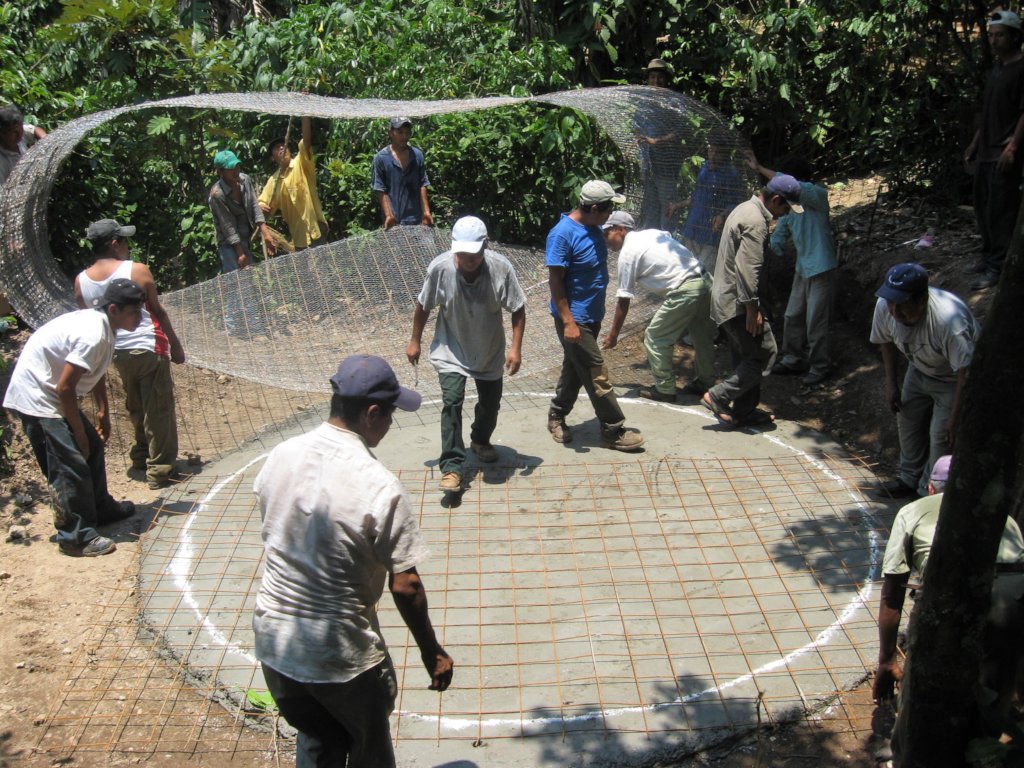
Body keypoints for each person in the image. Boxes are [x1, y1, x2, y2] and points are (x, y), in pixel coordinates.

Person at [252, 355, 453, 767]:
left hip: (275, 643)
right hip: (338, 655)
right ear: (372, 414)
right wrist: (431, 652)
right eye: (391, 413)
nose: (392, 422)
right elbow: (406, 585)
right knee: (368, 750)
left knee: (316, 738)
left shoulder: (282, 454)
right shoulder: (378, 485)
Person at [873, 456, 1024, 748]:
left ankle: (910, 748)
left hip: (955, 590)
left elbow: (893, 592)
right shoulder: (1001, 513)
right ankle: (988, 745)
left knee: (925, 680)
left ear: (931, 488)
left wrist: (887, 661)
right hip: (1016, 594)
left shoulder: (913, 510)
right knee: (998, 680)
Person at [2, 279, 145, 557]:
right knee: (68, 465)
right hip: (38, 398)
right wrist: (78, 431)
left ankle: (100, 509)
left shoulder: (106, 326)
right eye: (133, 312)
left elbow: (94, 371)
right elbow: (65, 387)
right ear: (114, 308)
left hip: (53, 393)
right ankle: (74, 536)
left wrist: (103, 409)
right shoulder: (93, 333)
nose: (138, 318)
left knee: (91, 448)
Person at [407, 216, 526, 493]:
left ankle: (480, 440)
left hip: (489, 350)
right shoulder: (440, 268)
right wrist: (415, 340)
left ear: (485, 246)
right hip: (451, 348)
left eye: (473, 254)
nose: (467, 260)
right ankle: (452, 467)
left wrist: (516, 348)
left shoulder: (500, 268)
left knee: (490, 404)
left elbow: (518, 308)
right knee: (452, 401)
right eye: (461, 253)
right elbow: (423, 305)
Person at [74, 219, 186, 490]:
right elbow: (157, 311)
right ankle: (160, 469)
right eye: (124, 241)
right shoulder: (137, 270)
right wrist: (175, 345)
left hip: (115, 352)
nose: (127, 246)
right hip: (148, 345)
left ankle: (140, 456)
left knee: (135, 404)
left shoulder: (81, 282)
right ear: (114, 244)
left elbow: (87, 320)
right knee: (157, 407)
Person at [546, 180, 644, 451]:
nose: (610, 215)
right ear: (592, 208)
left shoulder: (594, 227)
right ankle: (612, 429)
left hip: (592, 316)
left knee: (576, 370)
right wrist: (568, 322)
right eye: (607, 209)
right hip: (575, 319)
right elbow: (556, 282)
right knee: (596, 372)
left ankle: (556, 415)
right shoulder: (562, 234)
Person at [869, 263, 979, 499]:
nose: (896, 312)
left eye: (903, 305)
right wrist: (891, 384)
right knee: (907, 420)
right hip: (918, 369)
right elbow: (885, 342)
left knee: (941, 436)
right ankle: (908, 479)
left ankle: (925, 494)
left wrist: (955, 416)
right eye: (892, 303)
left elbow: (965, 372)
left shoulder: (949, 322)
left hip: (952, 379)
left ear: (921, 300)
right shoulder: (884, 307)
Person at [702, 175, 803, 428]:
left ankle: (745, 411)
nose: (785, 214)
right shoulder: (756, 222)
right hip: (737, 302)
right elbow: (748, 269)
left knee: (746, 355)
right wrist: (751, 308)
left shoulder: (744, 208)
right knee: (765, 353)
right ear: (776, 199)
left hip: (726, 297)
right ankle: (718, 395)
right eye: (785, 207)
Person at [600, 211, 716, 401]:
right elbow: (669, 238)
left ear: (620, 229)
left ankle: (665, 389)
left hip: (685, 289)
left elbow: (623, 299)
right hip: (704, 280)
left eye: (607, 233)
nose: (606, 239)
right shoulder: (651, 233)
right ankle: (706, 382)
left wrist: (613, 334)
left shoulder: (628, 254)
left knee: (655, 337)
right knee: (702, 336)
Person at [747, 151, 838, 386]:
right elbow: (782, 231)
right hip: (803, 267)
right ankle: (793, 358)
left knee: (816, 320)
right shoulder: (792, 207)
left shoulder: (817, 196)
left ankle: (820, 366)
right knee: (792, 315)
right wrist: (769, 246)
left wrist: (760, 168)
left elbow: (795, 186)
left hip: (821, 266)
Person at [963, 9, 1024, 291]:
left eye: (1000, 35)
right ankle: (987, 256)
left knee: (1001, 210)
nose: (994, 40)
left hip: (1003, 153)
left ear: (1014, 37)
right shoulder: (996, 69)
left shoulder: (1021, 69)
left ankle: (997, 267)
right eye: (991, 35)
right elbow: (988, 112)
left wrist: (1012, 147)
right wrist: (975, 142)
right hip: (986, 151)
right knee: (983, 207)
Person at [209, 149, 275, 336]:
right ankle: (243, 327)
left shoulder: (245, 180)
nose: (235, 171)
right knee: (238, 284)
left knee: (245, 282)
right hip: (229, 245)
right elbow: (228, 226)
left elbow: (254, 205)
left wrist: (266, 233)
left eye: (237, 166)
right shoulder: (217, 194)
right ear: (221, 172)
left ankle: (244, 326)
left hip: (245, 238)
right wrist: (240, 253)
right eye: (230, 169)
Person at [258, 116, 329, 250]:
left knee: (322, 269)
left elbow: (306, 141)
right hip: (299, 238)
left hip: (316, 229)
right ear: (273, 158)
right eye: (276, 148)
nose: (281, 148)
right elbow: (263, 203)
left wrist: (304, 115)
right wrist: (260, 206)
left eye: (283, 145)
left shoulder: (300, 164)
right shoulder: (273, 181)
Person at [676, 142, 747, 273]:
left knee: (705, 272)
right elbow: (697, 196)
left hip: (712, 233)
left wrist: (722, 215)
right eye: (710, 151)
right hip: (693, 227)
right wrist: (677, 205)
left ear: (724, 154)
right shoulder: (705, 168)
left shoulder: (731, 175)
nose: (713, 155)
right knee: (683, 269)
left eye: (717, 152)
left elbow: (736, 203)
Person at [635, 59, 682, 231]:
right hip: (647, 166)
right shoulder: (642, 102)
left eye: (660, 78)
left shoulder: (673, 102)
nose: (656, 81)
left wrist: (657, 141)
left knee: (668, 206)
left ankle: (668, 241)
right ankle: (651, 242)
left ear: (666, 80)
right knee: (650, 206)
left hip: (666, 166)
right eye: (652, 77)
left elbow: (680, 132)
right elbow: (637, 127)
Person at [372, 117, 434, 229]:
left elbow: (422, 184)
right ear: (391, 133)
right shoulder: (381, 158)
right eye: (400, 132)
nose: (404, 137)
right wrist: (389, 215)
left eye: (407, 133)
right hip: (394, 222)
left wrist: (426, 212)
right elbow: (380, 189)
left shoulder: (417, 155)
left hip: (418, 220)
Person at [0, 103, 47, 185]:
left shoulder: (18, 134)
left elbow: (35, 130)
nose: (19, 134)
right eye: (13, 131)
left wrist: (46, 140)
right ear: (2, 133)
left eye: (20, 127)